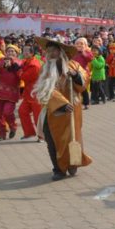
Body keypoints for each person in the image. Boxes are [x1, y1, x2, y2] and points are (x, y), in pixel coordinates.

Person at [32, 37, 93, 180]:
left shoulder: (74, 66)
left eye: (54, 50)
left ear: (61, 52)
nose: (51, 54)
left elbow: (84, 83)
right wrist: (61, 103)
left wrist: (76, 76)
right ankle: (58, 169)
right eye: (49, 51)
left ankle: (74, 163)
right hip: (54, 110)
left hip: (73, 109)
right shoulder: (45, 69)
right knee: (52, 139)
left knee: (73, 137)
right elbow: (44, 89)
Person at [0, 45, 22, 141]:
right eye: (8, 51)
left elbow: (21, 75)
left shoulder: (19, 63)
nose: (10, 53)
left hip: (11, 94)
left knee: (7, 112)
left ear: (16, 54)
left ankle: (13, 126)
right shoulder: (1, 60)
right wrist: (3, 64)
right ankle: (1, 133)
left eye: (13, 51)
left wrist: (13, 64)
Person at [18, 45, 42, 140]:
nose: (25, 53)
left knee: (38, 117)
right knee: (22, 111)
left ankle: (41, 136)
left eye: (27, 51)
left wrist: (18, 70)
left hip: (36, 94)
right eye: (24, 51)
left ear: (32, 53)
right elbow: (21, 63)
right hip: (29, 93)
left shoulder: (34, 65)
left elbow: (24, 77)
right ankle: (29, 132)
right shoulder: (26, 62)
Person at [72, 37, 94, 110]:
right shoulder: (74, 51)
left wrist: (83, 52)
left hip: (83, 73)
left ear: (85, 44)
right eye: (77, 43)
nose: (79, 45)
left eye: (81, 44)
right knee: (75, 88)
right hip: (74, 72)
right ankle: (76, 102)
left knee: (83, 89)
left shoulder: (87, 51)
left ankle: (86, 103)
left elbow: (90, 58)